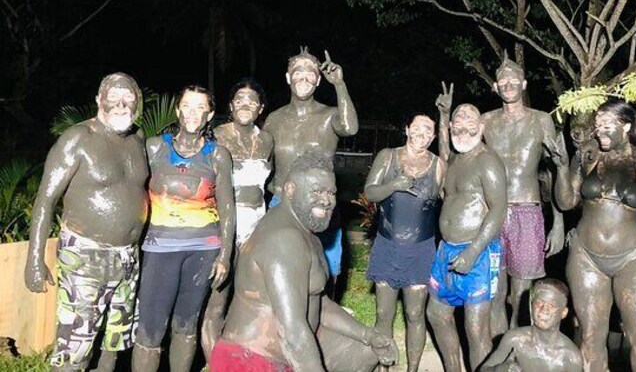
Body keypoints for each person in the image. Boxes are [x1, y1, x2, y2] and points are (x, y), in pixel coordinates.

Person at [211, 152, 398, 372]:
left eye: (331, 192)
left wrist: (369, 335)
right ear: (290, 190)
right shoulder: (284, 239)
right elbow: (292, 334)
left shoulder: (306, 232)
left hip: (286, 352)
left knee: (365, 349)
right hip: (251, 360)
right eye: (317, 191)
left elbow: (318, 302)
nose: (327, 200)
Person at [25, 73, 148, 372]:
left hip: (129, 257)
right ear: (99, 100)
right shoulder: (78, 138)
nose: (121, 104)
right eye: (113, 97)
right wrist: (34, 260)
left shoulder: (138, 138)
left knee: (115, 341)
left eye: (128, 97)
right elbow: (45, 200)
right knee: (74, 348)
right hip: (85, 257)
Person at [555, 99, 636, 372]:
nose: (599, 130)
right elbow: (566, 201)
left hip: (633, 256)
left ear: (626, 126)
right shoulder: (587, 156)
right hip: (586, 257)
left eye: (607, 124)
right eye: (597, 125)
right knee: (591, 338)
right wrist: (560, 166)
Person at [132, 85, 234, 372]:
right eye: (187, 106)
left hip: (203, 251)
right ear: (178, 110)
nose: (192, 113)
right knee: (150, 328)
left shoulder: (218, 155)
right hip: (159, 249)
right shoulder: (155, 147)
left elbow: (227, 208)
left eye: (200, 107)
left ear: (210, 114)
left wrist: (224, 255)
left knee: (186, 323)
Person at [480, 56, 567, 333]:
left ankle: (522, 349)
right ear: (495, 86)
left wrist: (559, 221)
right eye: (502, 79)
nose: (508, 83)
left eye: (513, 78)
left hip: (527, 212)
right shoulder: (485, 122)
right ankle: (500, 352)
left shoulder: (541, 120)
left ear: (523, 83)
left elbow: (552, 171)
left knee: (521, 295)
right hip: (490, 211)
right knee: (494, 290)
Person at [264, 48, 358, 288]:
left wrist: (339, 84)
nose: (304, 76)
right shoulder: (274, 120)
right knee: (282, 270)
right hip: (282, 204)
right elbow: (263, 162)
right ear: (288, 77)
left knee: (324, 270)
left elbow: (350, 128)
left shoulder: (329, 115)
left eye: (310, 72)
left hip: (320, 205)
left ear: (318, 79)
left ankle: (324, 318)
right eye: (298, 71)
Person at [427, 104, 507, 372]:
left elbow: (498, 209)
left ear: (481, 127)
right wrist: (443, 117)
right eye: (457, 124)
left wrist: (472, 252)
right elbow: (445, 152)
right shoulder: (453, 161)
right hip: (446, 250)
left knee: (476, 329)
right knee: (437, 315)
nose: (463, 128)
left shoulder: (487, 160)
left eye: (470, 122)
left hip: (478, 252)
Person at [364, 112, 446, 372]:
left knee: (414, 314)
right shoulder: (387, 156)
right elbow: (370, 191)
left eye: (428, 131)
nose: (422, 135)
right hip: (387, 245)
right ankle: (383, 366)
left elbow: (452, 198)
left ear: (433, 137)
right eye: (418, 128)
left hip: (421, 249)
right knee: (383, 315)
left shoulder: (438, 165)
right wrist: (394, 184)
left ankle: (412, 369)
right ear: (407, 129)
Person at [201, 79, 274, 360]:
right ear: (231, 106)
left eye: (252, 100)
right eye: (240, 99)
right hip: (225, 223)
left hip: (258, 224)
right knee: (219, 295)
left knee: (250, 294)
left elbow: (268, 185)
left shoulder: (267, 140)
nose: (246, 104)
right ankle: (213, 362)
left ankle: (243, 355)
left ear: (261, 108)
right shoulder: (216, 136)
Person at [480, 279, 582, 372]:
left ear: (563, 313)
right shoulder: (515, 340)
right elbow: (484, 370)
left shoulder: (570, 357)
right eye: (539, 303)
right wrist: (499, 369)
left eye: (551, 306)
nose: (543, 310)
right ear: (531, 306)